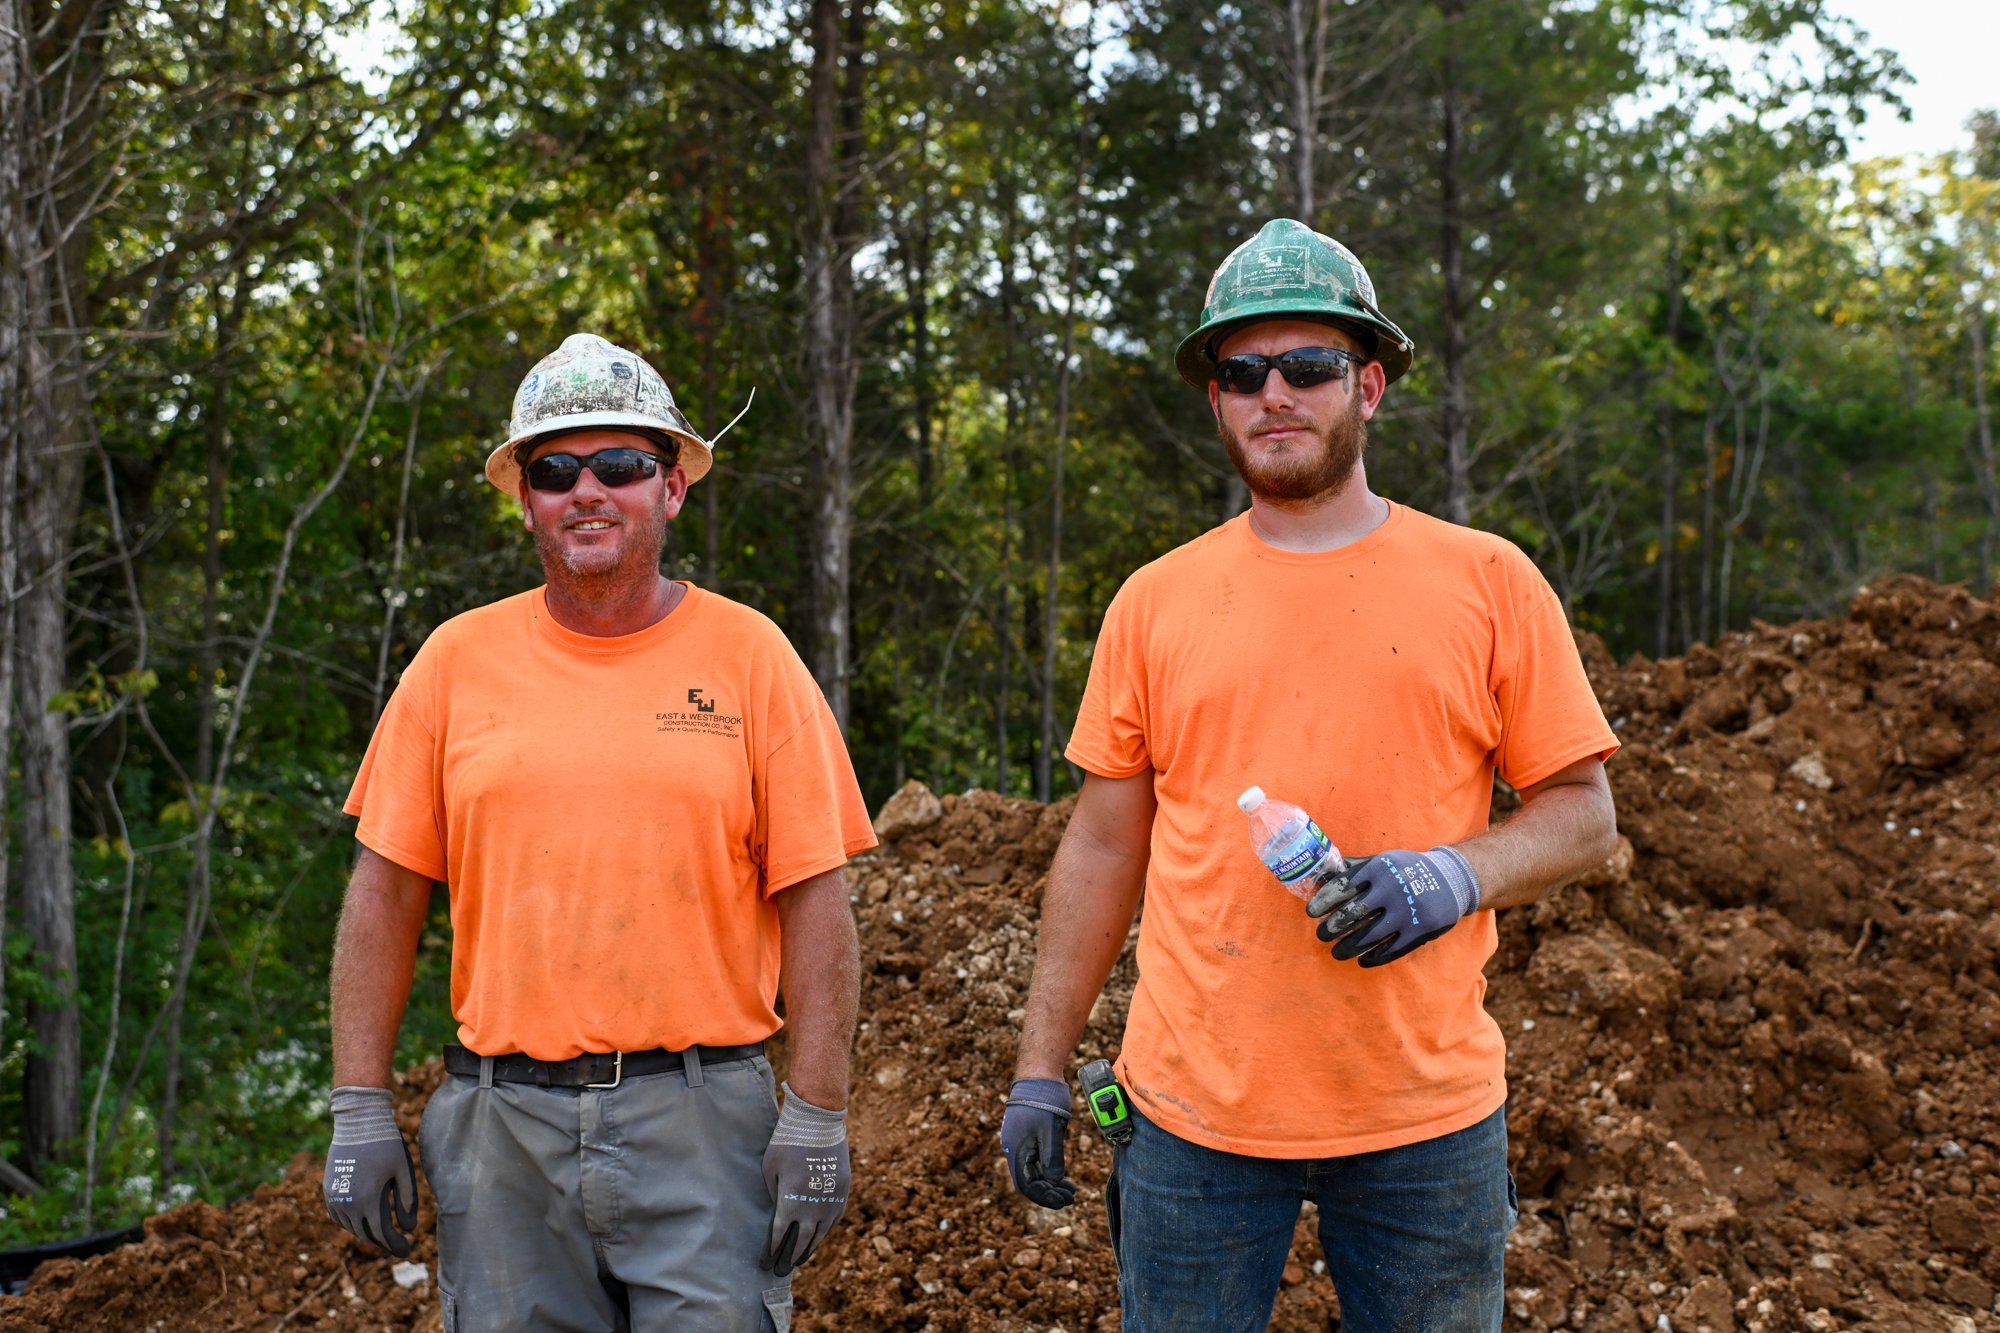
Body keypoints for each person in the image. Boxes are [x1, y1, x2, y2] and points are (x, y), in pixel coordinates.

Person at [1000, 219, 1620, 1332]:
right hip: (1189, 1124)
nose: (1273, 392)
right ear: (1216, 401)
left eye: (1309, 366)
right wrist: (1041, 1065)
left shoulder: (1486, 581)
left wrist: (1448, 875)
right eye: (1243, 372)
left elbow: (1582, 819)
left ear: (1368, 385)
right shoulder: (1155, 601)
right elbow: (1102, 844)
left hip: (1424, 1122)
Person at [323, 333, 875, 1332]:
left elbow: (815, 898)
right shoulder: (454, 664)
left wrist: (819, 1110)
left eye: (619, 464)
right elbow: (384, 892)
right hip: (502, 1138)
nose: (588, 490)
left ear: (669, 487)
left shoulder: (751, 658)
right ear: (523, 497)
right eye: (556, 469)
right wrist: (358, 1104)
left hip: (703, 1123)